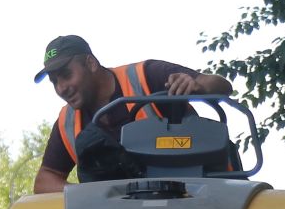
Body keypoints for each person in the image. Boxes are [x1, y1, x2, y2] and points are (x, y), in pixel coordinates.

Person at [31, 35, 233, 192]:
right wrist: (84, 194)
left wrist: (197, 85)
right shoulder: (67, 122)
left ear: (91, 63)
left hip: (201, 197)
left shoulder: (147, 76)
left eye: (66, 75)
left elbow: (221, 85)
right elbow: (44, 181)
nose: (61, 88)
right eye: (54, 81)